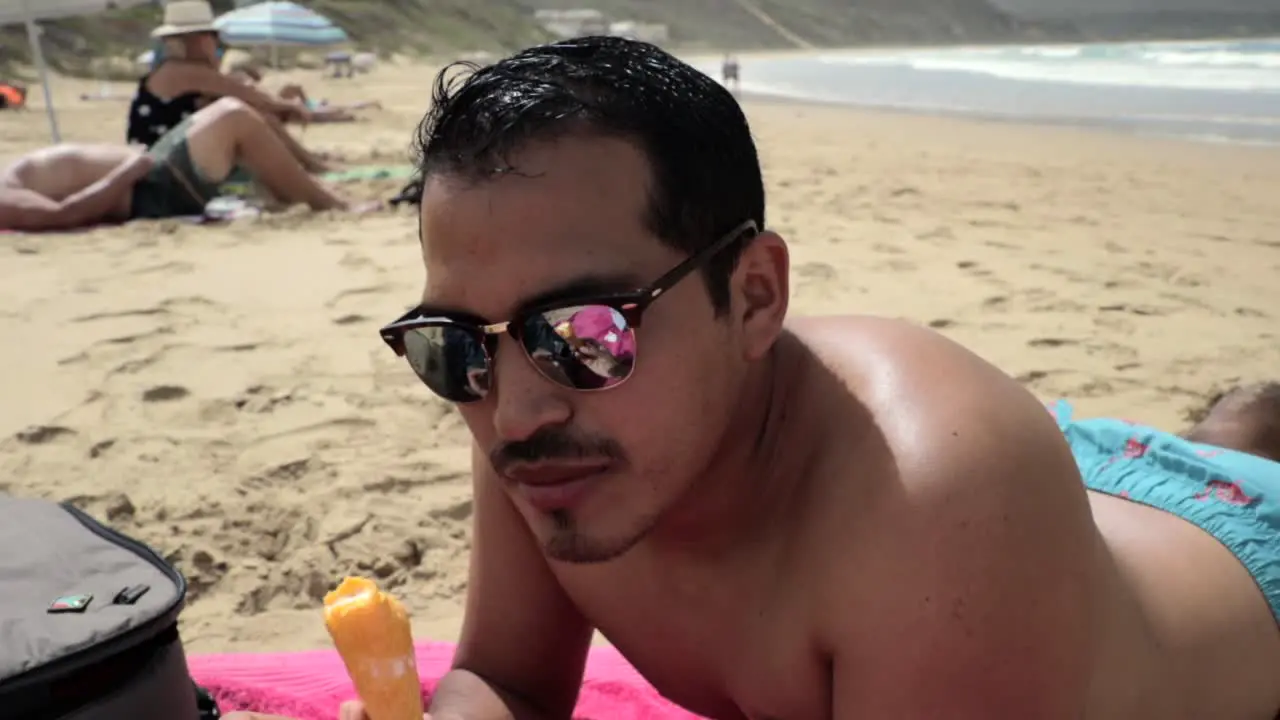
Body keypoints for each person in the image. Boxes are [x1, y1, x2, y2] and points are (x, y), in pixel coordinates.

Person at [228, 37, 1280, 720]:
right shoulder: (541, 427)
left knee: (1241, 442)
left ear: (755, 295)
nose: (515, 409)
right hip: (1064, 494)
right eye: (451, 346)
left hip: (1228, 550)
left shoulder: (935, 503)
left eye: (585, 332)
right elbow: (505, 681)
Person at [1, 98, 365, 232]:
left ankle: (315, 191)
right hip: (150, 188)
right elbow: (63, 213)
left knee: (236, 120)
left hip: (147, 173)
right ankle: (334, 205)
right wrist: (126, 171)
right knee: (232, 115)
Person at [126, 0, 330, 173]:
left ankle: (306, 162)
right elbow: (249, 95)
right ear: (196, 40)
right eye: (212, 38)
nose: (215, 44)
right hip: (164, 162)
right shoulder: (186, 72)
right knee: (260, 116)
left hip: (161, 154)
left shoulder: (176, 69)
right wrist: (291, 106)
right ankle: (308, 164)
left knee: (253, 114)